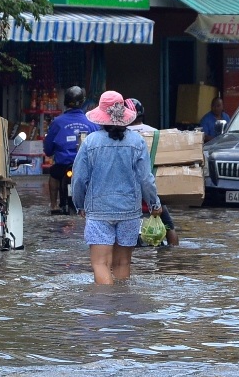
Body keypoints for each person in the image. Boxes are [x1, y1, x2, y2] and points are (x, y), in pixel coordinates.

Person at [72, 90, 161, 284]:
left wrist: (79, 205)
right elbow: (146, 179)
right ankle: (121, 302)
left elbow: (78, 179)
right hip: (129, 211)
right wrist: (154, 204)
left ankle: (106, 302)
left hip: (99, 211)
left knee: (100, 264)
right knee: (122, 264)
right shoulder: (137, 142)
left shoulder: (90, 142)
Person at [126, 98, 179, 247]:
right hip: (154, 191)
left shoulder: (122, 135)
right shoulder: (155, 133)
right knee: (169, 227)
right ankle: (175, 254)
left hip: (128, 193)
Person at [43, 85, 99, 214]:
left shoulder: (57, 122)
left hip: (62, 165)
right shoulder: (92, 124)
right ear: (82, 102)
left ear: (65, 102)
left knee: (54, 175)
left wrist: (50, 152)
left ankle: (53, 205)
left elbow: (48, 148)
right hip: (84, 166)